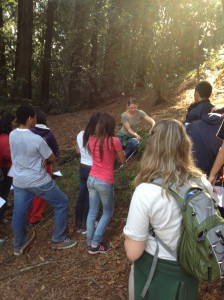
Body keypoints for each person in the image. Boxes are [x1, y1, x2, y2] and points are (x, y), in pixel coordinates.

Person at [123, 119, 213, 299]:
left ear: (152, 148)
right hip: (191, 271)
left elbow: (133, 252)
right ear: (185, 145)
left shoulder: (146, 192)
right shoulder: (203, 183)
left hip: (156, 274)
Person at [8, 104, 77, 255]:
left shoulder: (12, 134)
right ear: (29, 118)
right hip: (37, 180)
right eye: (34, 117)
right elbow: (51, 157)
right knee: (62, 202)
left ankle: (18, 244)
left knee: (19, 211)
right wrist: (44, 158)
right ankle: (59, 239)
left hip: (18, 180)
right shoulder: (36, 139)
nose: (36, 120)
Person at [87, 113, 126, 254]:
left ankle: (89, 241)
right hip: (104, 180)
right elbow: (122, 160)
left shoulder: (91, 140)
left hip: (91, 178)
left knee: (92, 212)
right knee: (108, 212)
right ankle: (95, 244)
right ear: (111, 127)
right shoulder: (114, 141)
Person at [28, 109, 59, 225]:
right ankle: (35, 216)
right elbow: (55, 151)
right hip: (45, 166)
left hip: (29, 166)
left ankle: (28, 214)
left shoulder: (28, 132)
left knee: (30, 190)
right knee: (42, 191)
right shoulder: (48, 134)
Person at [75, 112, 102, 234]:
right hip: (93, 169)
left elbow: (77, 151)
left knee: (82, 196)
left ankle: (78, 225)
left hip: (82, 168)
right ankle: (86, 225)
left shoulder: (81, 134)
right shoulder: (97, 138)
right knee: (90, 198)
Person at [0, 112, 17, 225]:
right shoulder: (5, 137)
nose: (16, 123)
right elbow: (7, 154)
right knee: (2, 194)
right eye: (14, 120)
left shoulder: (6, 135)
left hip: (6, 169)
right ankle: (1, 216)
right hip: (5, 170)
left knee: (3, 194)